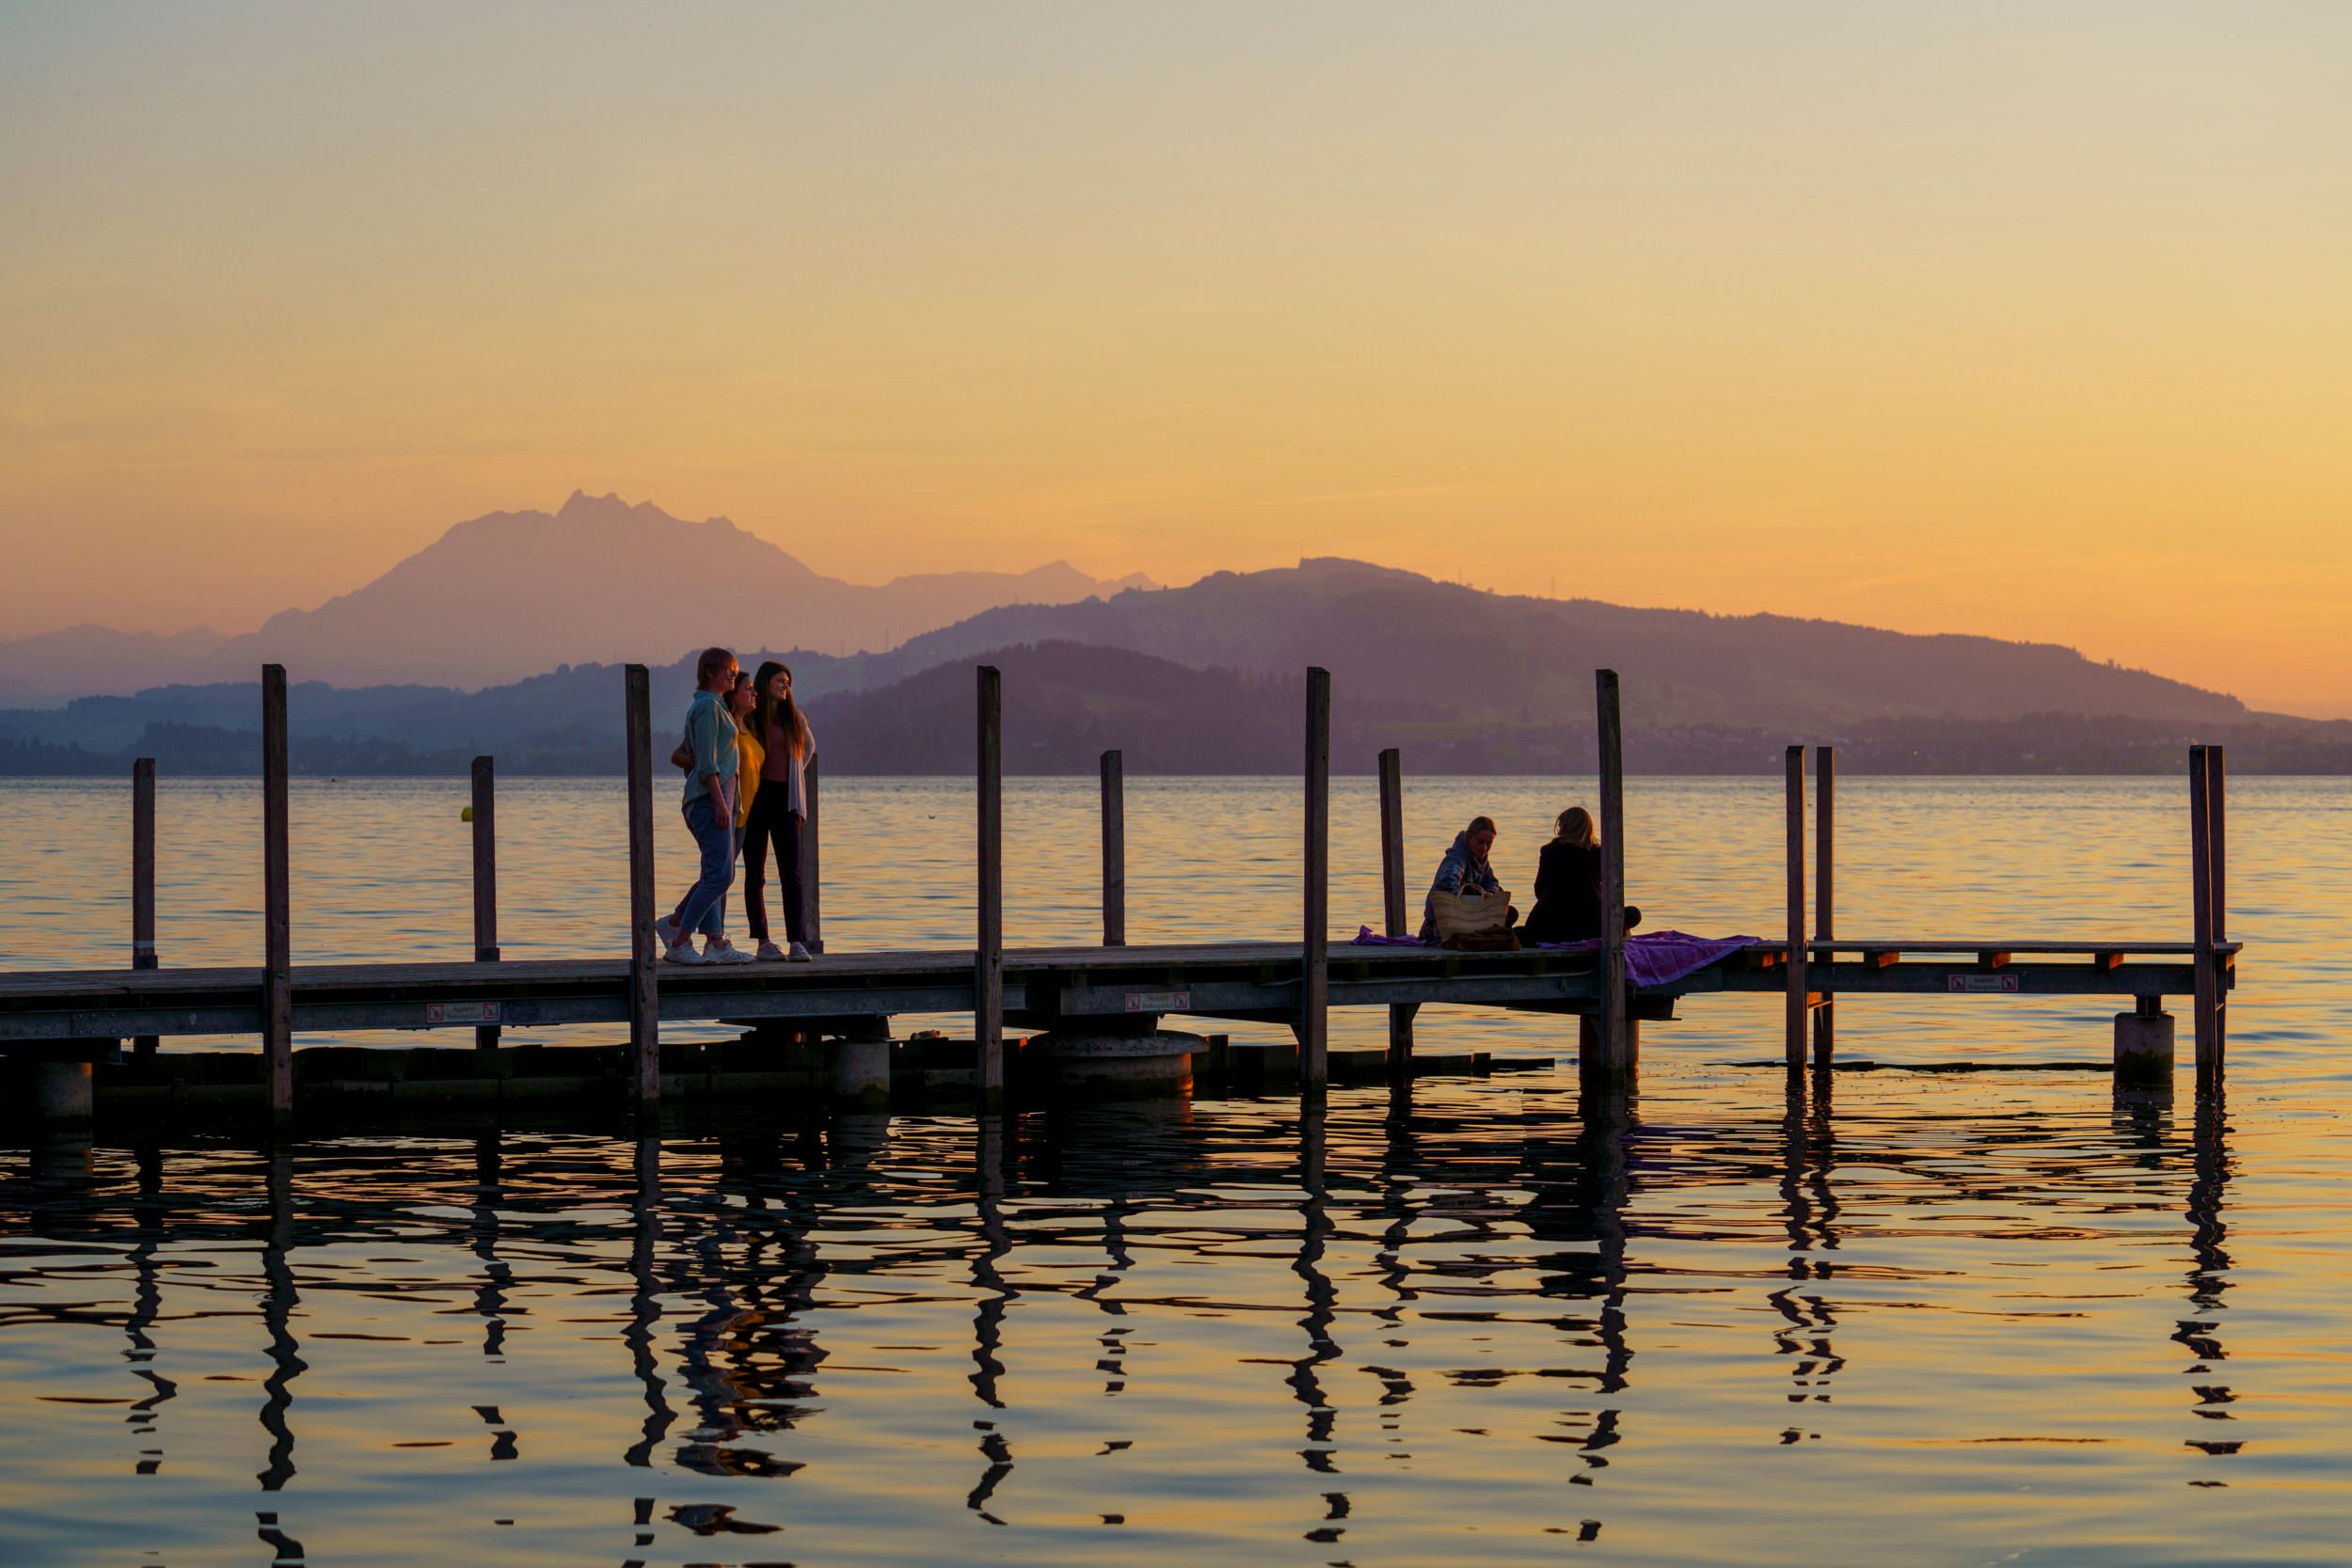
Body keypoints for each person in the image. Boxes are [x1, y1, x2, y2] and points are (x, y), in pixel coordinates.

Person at [654, 647, 752, 965]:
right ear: (711, 672)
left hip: (718, 798)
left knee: (715, 873)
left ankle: (715, 942)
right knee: (721, 877)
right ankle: (679, 941)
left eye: (735, 669)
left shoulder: (714, 706)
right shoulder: (708, 707)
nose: (734, 675)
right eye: (728, 669)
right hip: (710, 800)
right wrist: (720, 803)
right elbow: (708, 762)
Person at [740, 659, 817, 961]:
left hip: (787, 800)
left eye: (788, 682)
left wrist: (795, 775)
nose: (786, 686)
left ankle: (796, 942)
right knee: (755, 874)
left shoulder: (794, 718)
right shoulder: (751, 719)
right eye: (780, 681)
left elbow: (810, 747)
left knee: (792, 874)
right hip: (757, 798)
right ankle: (763, 941)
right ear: (765, 684)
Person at [1522, 805, 1643, 944]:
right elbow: (1609, 891)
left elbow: (1539, 890)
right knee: (1633, 913)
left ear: (1563, 827)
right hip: (1591, 927)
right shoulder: (1599, 853)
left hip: (1549, 926)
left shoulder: (1549, 851)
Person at [1418, 815, 1518, 942]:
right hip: (1442, 923)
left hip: (1470, 916)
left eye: (1489, 843)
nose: (1484, 848)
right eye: (1480, 842)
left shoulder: (1483, 862)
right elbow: (1448, 883)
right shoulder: (1457, 859)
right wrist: (1476, 894)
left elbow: (1493, 883)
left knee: (1511, 912)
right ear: (1469, 838)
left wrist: (1489, 894)